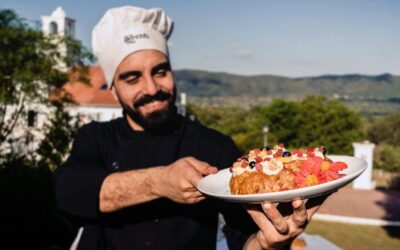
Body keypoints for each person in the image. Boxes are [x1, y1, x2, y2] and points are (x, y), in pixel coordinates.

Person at [54, 6, 326, 250]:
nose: (151, 88)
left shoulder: (214, 146)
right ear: (113, 91)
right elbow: (70, 193)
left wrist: (269, 244)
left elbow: (244, 238)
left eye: (160, 71)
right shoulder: (96, 138)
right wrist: (160, 181)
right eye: (132, 78)